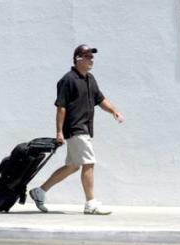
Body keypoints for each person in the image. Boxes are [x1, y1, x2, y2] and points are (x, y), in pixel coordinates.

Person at [28, 44, 124, 215]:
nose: (91, 60)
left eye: (92, 57)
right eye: (87, 57)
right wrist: (59, 132)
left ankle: (40, 191)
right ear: (78, 59)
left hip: (85, 128)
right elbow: (61, 107)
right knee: (89, 163)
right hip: (75, 128)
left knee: (73, 166)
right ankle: (90, 203)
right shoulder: (68, 80)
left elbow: (100, 100)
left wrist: (114, 111)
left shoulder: (90, 79)